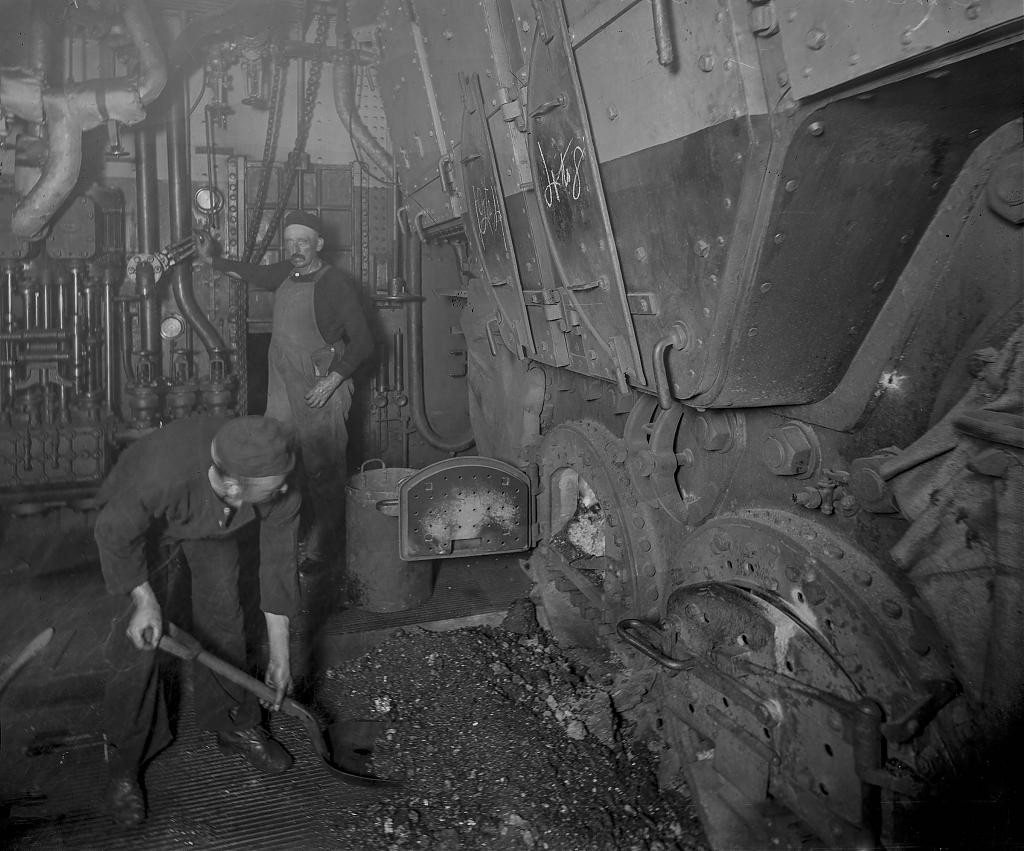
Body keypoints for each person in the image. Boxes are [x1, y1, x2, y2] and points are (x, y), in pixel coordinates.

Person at [95, 415, 301, 827]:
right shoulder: (159, 475)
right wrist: (144, 599)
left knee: (224, 614)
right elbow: (113, 532)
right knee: (141, 642)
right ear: (234, 486)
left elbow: (278, 567)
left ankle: (233, 723)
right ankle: (124, 764)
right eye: (273, 488)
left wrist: (281, 657)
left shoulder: (278, 478)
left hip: (210, 520)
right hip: (143, 529)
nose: (283, 490)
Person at [195, 212, 373, 565]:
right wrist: (211, 260)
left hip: (321, 386)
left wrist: (332, 381)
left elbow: (364, 341)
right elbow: (251, 273)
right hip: (284, 385)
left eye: (303, 242)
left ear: (319, 244)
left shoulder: (335, 283)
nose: (295, 249)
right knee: (276, 453)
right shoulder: (287, 272)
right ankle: (284, 530)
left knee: (324, 468)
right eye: (289, 242)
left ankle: (326, 544)